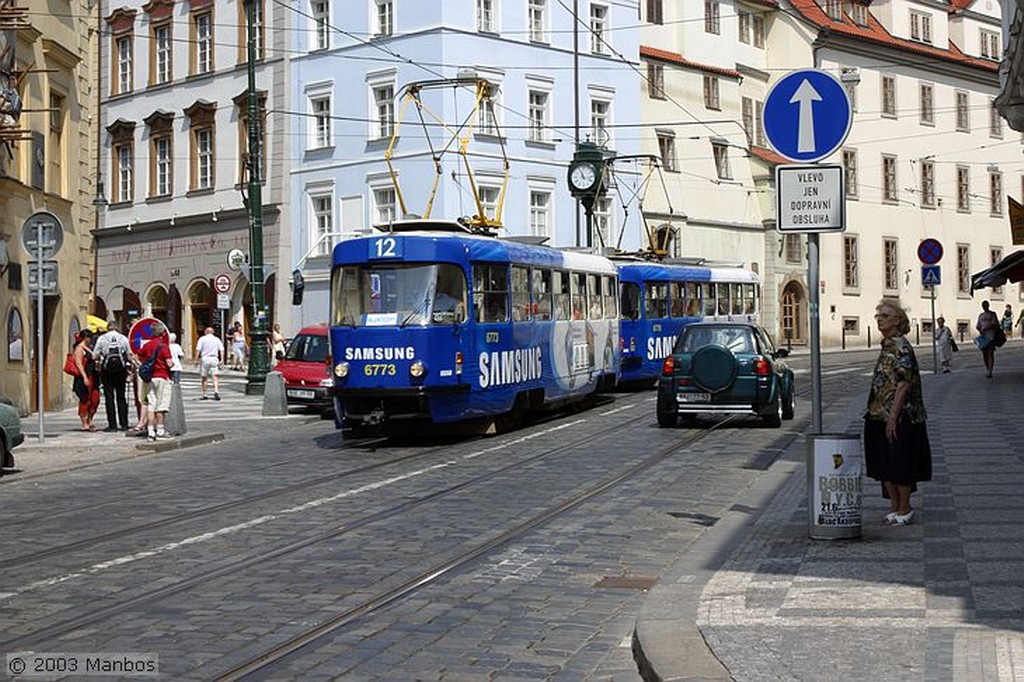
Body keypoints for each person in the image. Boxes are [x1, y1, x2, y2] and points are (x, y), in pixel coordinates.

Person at [864, 298, 932, 526]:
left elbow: (904, 383)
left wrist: (893, 416)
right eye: (878, 316)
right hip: (877, 412)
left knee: (899, 460)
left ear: (897, 320)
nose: (880, 319)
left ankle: (905, 507)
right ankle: (894, 507)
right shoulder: (887, 345)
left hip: (901, 415)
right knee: (883, 462)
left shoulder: (901, 346)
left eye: (885, 316)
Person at [136, 322, 173, 441]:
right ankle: (161, 431)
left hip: (150, 378)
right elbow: (169, 363)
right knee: (161, 405)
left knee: (151, 405)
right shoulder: (163, 346)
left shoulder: (148, 345)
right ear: (163, 333)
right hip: (162, 376)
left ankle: (151, 431)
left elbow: (137, 355)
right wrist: (172, 364)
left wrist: (143, 364)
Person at [93, 320, 132, 431]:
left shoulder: (102, 338)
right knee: (121, 396)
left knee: (109, 397)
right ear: (117, 328)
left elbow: (95, 355)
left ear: (108, 328)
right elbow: (129, 355)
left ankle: (112, 425)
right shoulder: (123, 338)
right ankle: (124, 423)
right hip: (121, 370)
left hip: (107, 370)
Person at [72, 329, 101, 431]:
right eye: (90, 338)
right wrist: (84, 377)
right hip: (85, 376)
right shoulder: (79, 349)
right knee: (85, 399)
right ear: (86, 338)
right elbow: (79, 364)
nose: (91, 340)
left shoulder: (88, 348)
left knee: (95, 399)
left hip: (94, 376)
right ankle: (84, 423)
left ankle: (90, 420)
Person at [195, 326, 224, 400]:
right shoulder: (216, 339)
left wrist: (196, 359)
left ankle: (205, 394)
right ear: (213, 332)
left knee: (204, 377)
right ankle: (216, 390)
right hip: (214, 358)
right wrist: (222, 359)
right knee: (215, 376)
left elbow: (198, 349)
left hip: (205, 359)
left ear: (205, 332)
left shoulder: (202, 339)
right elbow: (221, 349)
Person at [975, 300, 1000, 378]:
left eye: (986, 305)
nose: (984, 307)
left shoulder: (992, 314)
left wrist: (987, 327)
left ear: (988, 305)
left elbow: (995, 324)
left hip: (991, 336)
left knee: (990, 353)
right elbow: (978, 326)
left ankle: (990, 371)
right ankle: (987, 369)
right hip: (983, 337)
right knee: (984, 354)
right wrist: (981, 330)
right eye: (983, 305)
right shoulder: (981, 315)